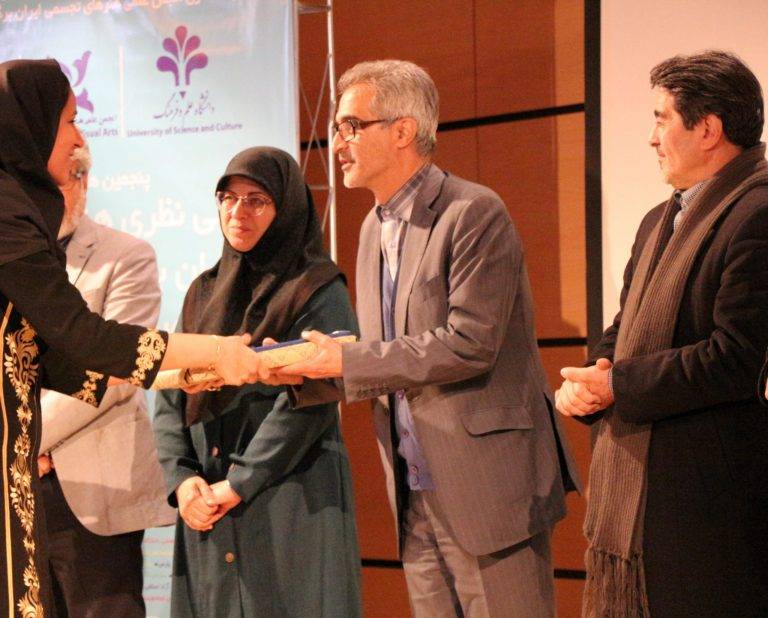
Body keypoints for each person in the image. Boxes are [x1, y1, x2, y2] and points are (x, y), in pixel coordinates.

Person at [278, 60, 580, 617]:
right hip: (412, 490)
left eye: (351, 126)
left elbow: (470, 342)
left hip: (487, 487)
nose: (337, 143)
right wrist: (296, 365)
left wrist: (345, 361)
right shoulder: (371, 228)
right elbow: (386, 357)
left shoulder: (473, 212)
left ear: (403, 130)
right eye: (337, 128)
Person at [0, 58, 267, 617]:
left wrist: (188, 372)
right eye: (69, 121)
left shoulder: (23, 218)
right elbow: (85, 337)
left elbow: (59, 364)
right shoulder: (6, 217)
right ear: (30, 126)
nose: (78, 139)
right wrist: (217, 351)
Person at [555, 50, 768, 616]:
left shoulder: (759, 211)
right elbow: (625, 324)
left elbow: (736, 357)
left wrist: (618, 385)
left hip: (711, 508)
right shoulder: (660, 217)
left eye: (661, 119)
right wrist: (593, 377)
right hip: (650, 498)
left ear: (708, 129)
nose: (652, 138)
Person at [152, 146, 361, 618]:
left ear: (285, 209)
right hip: (207, 501)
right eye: (228, 197)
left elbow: (312, 399)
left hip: (291, 501)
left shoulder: (318, 288)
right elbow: (169, 388)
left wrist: (239, 482)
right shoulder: (203, 291)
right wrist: (183, 481)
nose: (237, 212)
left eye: (256, 200)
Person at [36, 141, 175, 616]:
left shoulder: (126, 256)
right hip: (19, 491)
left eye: (57, 184)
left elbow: (118, 372)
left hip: (94, 494)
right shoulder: (14, 263)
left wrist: (22, 438)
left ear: (83, 181)